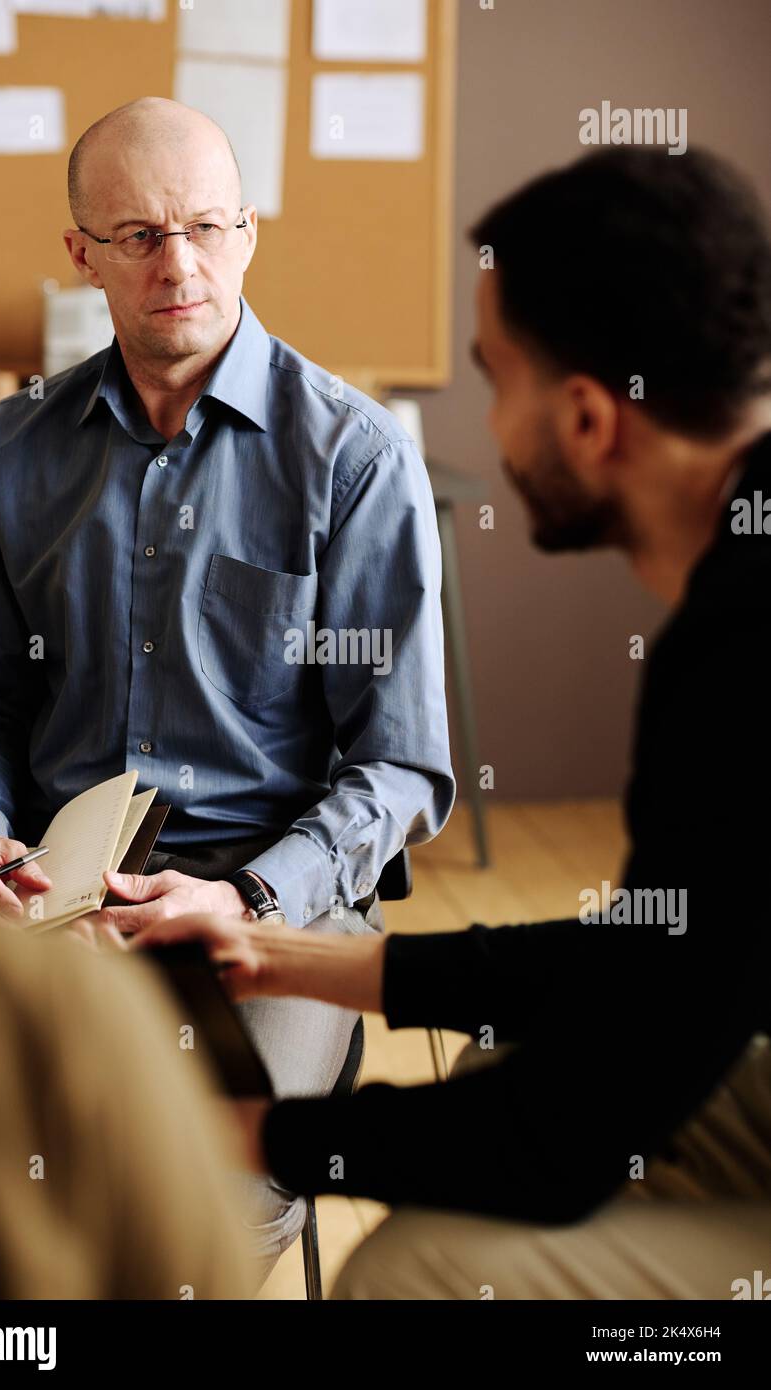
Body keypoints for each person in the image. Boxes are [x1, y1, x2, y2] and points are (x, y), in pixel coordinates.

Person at [102, 146, 771, 1298]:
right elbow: (676, 961)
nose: (487, 421)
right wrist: (276, 955)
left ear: (584, 418)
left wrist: (241, 1138)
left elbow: (555, 1144)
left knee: (421, 1270)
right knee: (509, 1053)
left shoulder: (735, 657)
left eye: (492, 377)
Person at [0, 96, 454, 1275]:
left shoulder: (355, 459)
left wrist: (248, 900)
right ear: (80, 255)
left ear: (249, 230)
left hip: (264, 909)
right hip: (40, 896)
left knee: (203, 1184)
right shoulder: (11, 452)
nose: (181, 264)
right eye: (140, 236)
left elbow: (400, 767)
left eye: (208, 226)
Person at [0, 912, 254, 1299]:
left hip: (261, 901)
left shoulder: (72, 995)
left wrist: (254, 894)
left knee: (250, 1199)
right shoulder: (75, 995)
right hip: (93, 949)